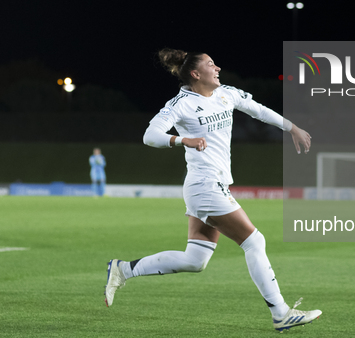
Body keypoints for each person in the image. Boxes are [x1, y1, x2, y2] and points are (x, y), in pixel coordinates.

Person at [104, 49, 321, 332]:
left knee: (195, 260)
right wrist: (182, 140)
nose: (217, 67)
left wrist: (291, 127)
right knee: (254, 242)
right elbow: (150, 136)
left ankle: (123, 269)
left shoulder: (226, 94)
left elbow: (258, 110)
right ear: (195, 74)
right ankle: (281, 313)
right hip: (205, 186)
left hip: (211, 185)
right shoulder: (180, 104)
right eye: (210, 64)